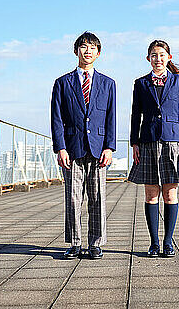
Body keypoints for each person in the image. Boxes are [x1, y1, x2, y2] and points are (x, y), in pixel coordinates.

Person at [51, 31, 116, 259]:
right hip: (72, 148)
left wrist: (109, 147)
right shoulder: (62, 83)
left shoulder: (108, 84)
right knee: (73, 197)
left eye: (92, 48)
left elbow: (111, 117)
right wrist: (60, 148)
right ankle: (75, 243)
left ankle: (96, 243)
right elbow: (57, 118)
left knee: (98, 198)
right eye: (83, 47)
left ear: (98, 53)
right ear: (76, 50)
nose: (87, 51)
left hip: (99, 149)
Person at [128, 40, 179, 257]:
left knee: (170, 193)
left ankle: (168, 242)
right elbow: (135, 115)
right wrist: (134, 143)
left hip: (173, 140)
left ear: (169, 57)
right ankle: (154, 243)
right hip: (147, 141)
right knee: (150, 194)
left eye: (162, 55)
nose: (158, 59)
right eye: (154, 55)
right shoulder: (140, 83)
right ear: (148, 58)